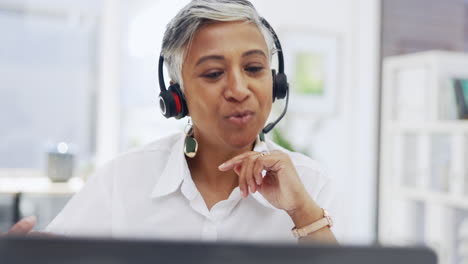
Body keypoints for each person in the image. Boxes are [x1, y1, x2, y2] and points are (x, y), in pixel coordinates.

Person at [7, 0, 339, 243]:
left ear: (275, 81)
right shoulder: (122, 182)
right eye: (213, 73)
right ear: (176, 96)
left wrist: (302, 213)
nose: (239, 90)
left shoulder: (312, 185)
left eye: (253, 68)